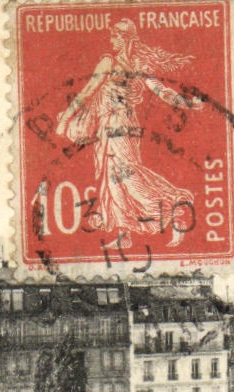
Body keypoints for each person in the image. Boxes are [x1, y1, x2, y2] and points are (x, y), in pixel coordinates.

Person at [55, 20, 204, 246]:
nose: (111, 41)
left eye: (115, 36)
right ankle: (125, 234)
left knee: (129, 176)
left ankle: (176, 209)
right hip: (115, 125)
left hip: (119, 125)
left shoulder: (115, 62)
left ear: (125, 38)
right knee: (113, 180)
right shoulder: (132, 63)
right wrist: (188, 104)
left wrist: (64, 121)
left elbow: (87, 92)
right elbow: (159, 90)